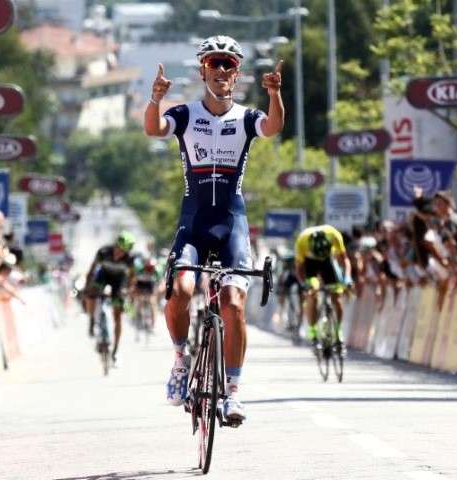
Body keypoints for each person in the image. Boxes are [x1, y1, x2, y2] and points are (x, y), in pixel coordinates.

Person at [144, 35, 284, 422]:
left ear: (237, 73)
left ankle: (234, 392)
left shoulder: (247, 116)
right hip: (194, 221)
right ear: (202, 69)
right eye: (214, 63)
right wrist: (155, 99)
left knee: (233, 304)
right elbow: (154, 130)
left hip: (232, 221)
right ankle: (178, 362)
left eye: (229, 65)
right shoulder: (186, 114)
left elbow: (272, 128)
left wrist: (274, 93)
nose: (222, 70)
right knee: (182, 290)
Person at [294, 225, 353, 348]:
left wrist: (347, 277)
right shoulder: (302, 241)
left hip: (328, 261)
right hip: (310, 263)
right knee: (312, 293)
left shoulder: (334, 235)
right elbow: (299, 269)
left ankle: (338, 330)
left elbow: (345, 259)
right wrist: (304, 284)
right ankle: (313, 330)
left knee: (337, 295)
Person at [84, 230, 136, 363]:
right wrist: (87, 287)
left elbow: (131, 277)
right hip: (103, 276)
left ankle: (115, 350)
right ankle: (91, 319)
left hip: (118, 282)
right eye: (119, 249)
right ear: (116, 245)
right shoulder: (103, 252)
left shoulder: (129, 259)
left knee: (117, 316)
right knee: (91, 294)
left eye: (125, 251)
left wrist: (128, 290)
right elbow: (92, 269)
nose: (121, 253)